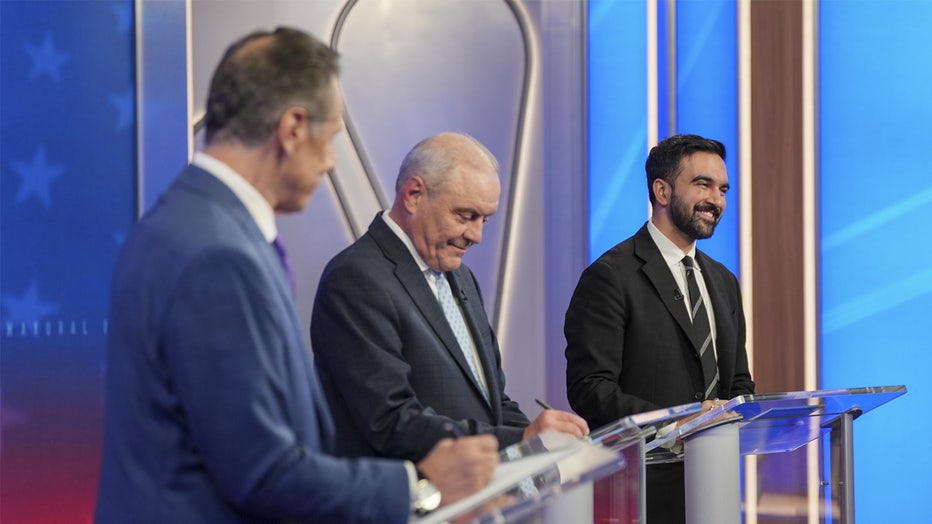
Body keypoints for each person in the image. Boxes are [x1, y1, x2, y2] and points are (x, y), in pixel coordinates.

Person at [95, 28, 499, 524]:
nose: (330, 162)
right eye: (329, 139)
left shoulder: (190, 222)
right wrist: (421, 488)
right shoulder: (218, 253)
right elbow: (262, 472)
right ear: (292, 129)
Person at [310, 132, 589, 464]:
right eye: (466, 215)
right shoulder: (355, 278)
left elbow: (491, 402)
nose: (477, 235)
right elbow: (391, 421)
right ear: (414, 194)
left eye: (485, 220)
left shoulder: (460, 276)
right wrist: (518, 439)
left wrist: (543, 443)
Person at [564, 134, 755, 523]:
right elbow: (591, 389)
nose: (716, 201)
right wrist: (677, 421)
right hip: (640, 494)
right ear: (662, 191)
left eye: (722, 189)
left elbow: (738, 384)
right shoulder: (610, 276)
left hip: (713, 490)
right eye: (702, 184)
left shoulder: (723, 281)